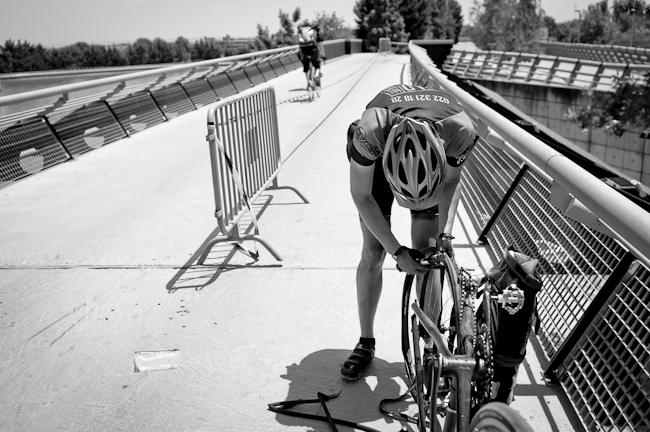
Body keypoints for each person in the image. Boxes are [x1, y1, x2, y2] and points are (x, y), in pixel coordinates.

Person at [341, 84, 478, 381]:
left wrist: (445, 233)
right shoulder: (368, 133)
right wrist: (397, 251)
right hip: (381, 159)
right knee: (373, 252)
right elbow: (362, 196)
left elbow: (451, 182)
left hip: (432, 156)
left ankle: (431, 346)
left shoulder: (460, 130)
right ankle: (365, 341)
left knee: (427, 253)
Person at [297, 23, 325, 89]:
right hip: (313, 50)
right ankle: (316, 76)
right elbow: (320, 46)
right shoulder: (315, 33)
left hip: (304, 51)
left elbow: (299, 48)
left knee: (306, 67)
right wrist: (323, 56)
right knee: (317, 65)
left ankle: (308, 82)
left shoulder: (302, 33)